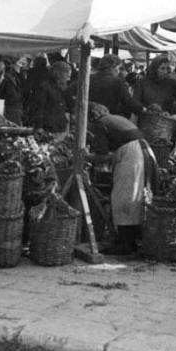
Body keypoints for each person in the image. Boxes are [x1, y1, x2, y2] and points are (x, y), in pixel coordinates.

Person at [87, 102, 157, 255]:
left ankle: (126, 243)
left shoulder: (101, 123)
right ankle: (129, 240)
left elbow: (102, 154)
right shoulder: (115, 119)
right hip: (143, 150)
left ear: (92, 116)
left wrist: (86, 157)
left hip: (132, 155)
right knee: (134, 196)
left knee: (124, 197)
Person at [88, 54, 145, 119]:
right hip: (109, 120)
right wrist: (142, 109)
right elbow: (128, 101)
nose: (118, 71)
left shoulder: (88, 79)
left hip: (88, 119)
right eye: (118, 68)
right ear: (113, 67)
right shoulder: (117, 82)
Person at [30, 61, 70, 134]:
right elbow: (39, 107)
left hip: (60, 126)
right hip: (48, 128)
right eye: (67, 76)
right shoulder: (45, 87)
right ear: (59, 74)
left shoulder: (64, 88)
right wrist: (39, 126)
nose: (68, 79)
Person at [0, 59, 24, 125]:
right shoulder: (5, 79)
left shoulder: (17, 77)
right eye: (19, 63)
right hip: (10, 111)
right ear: (12, 65)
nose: (21, 65)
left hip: (16, 110)